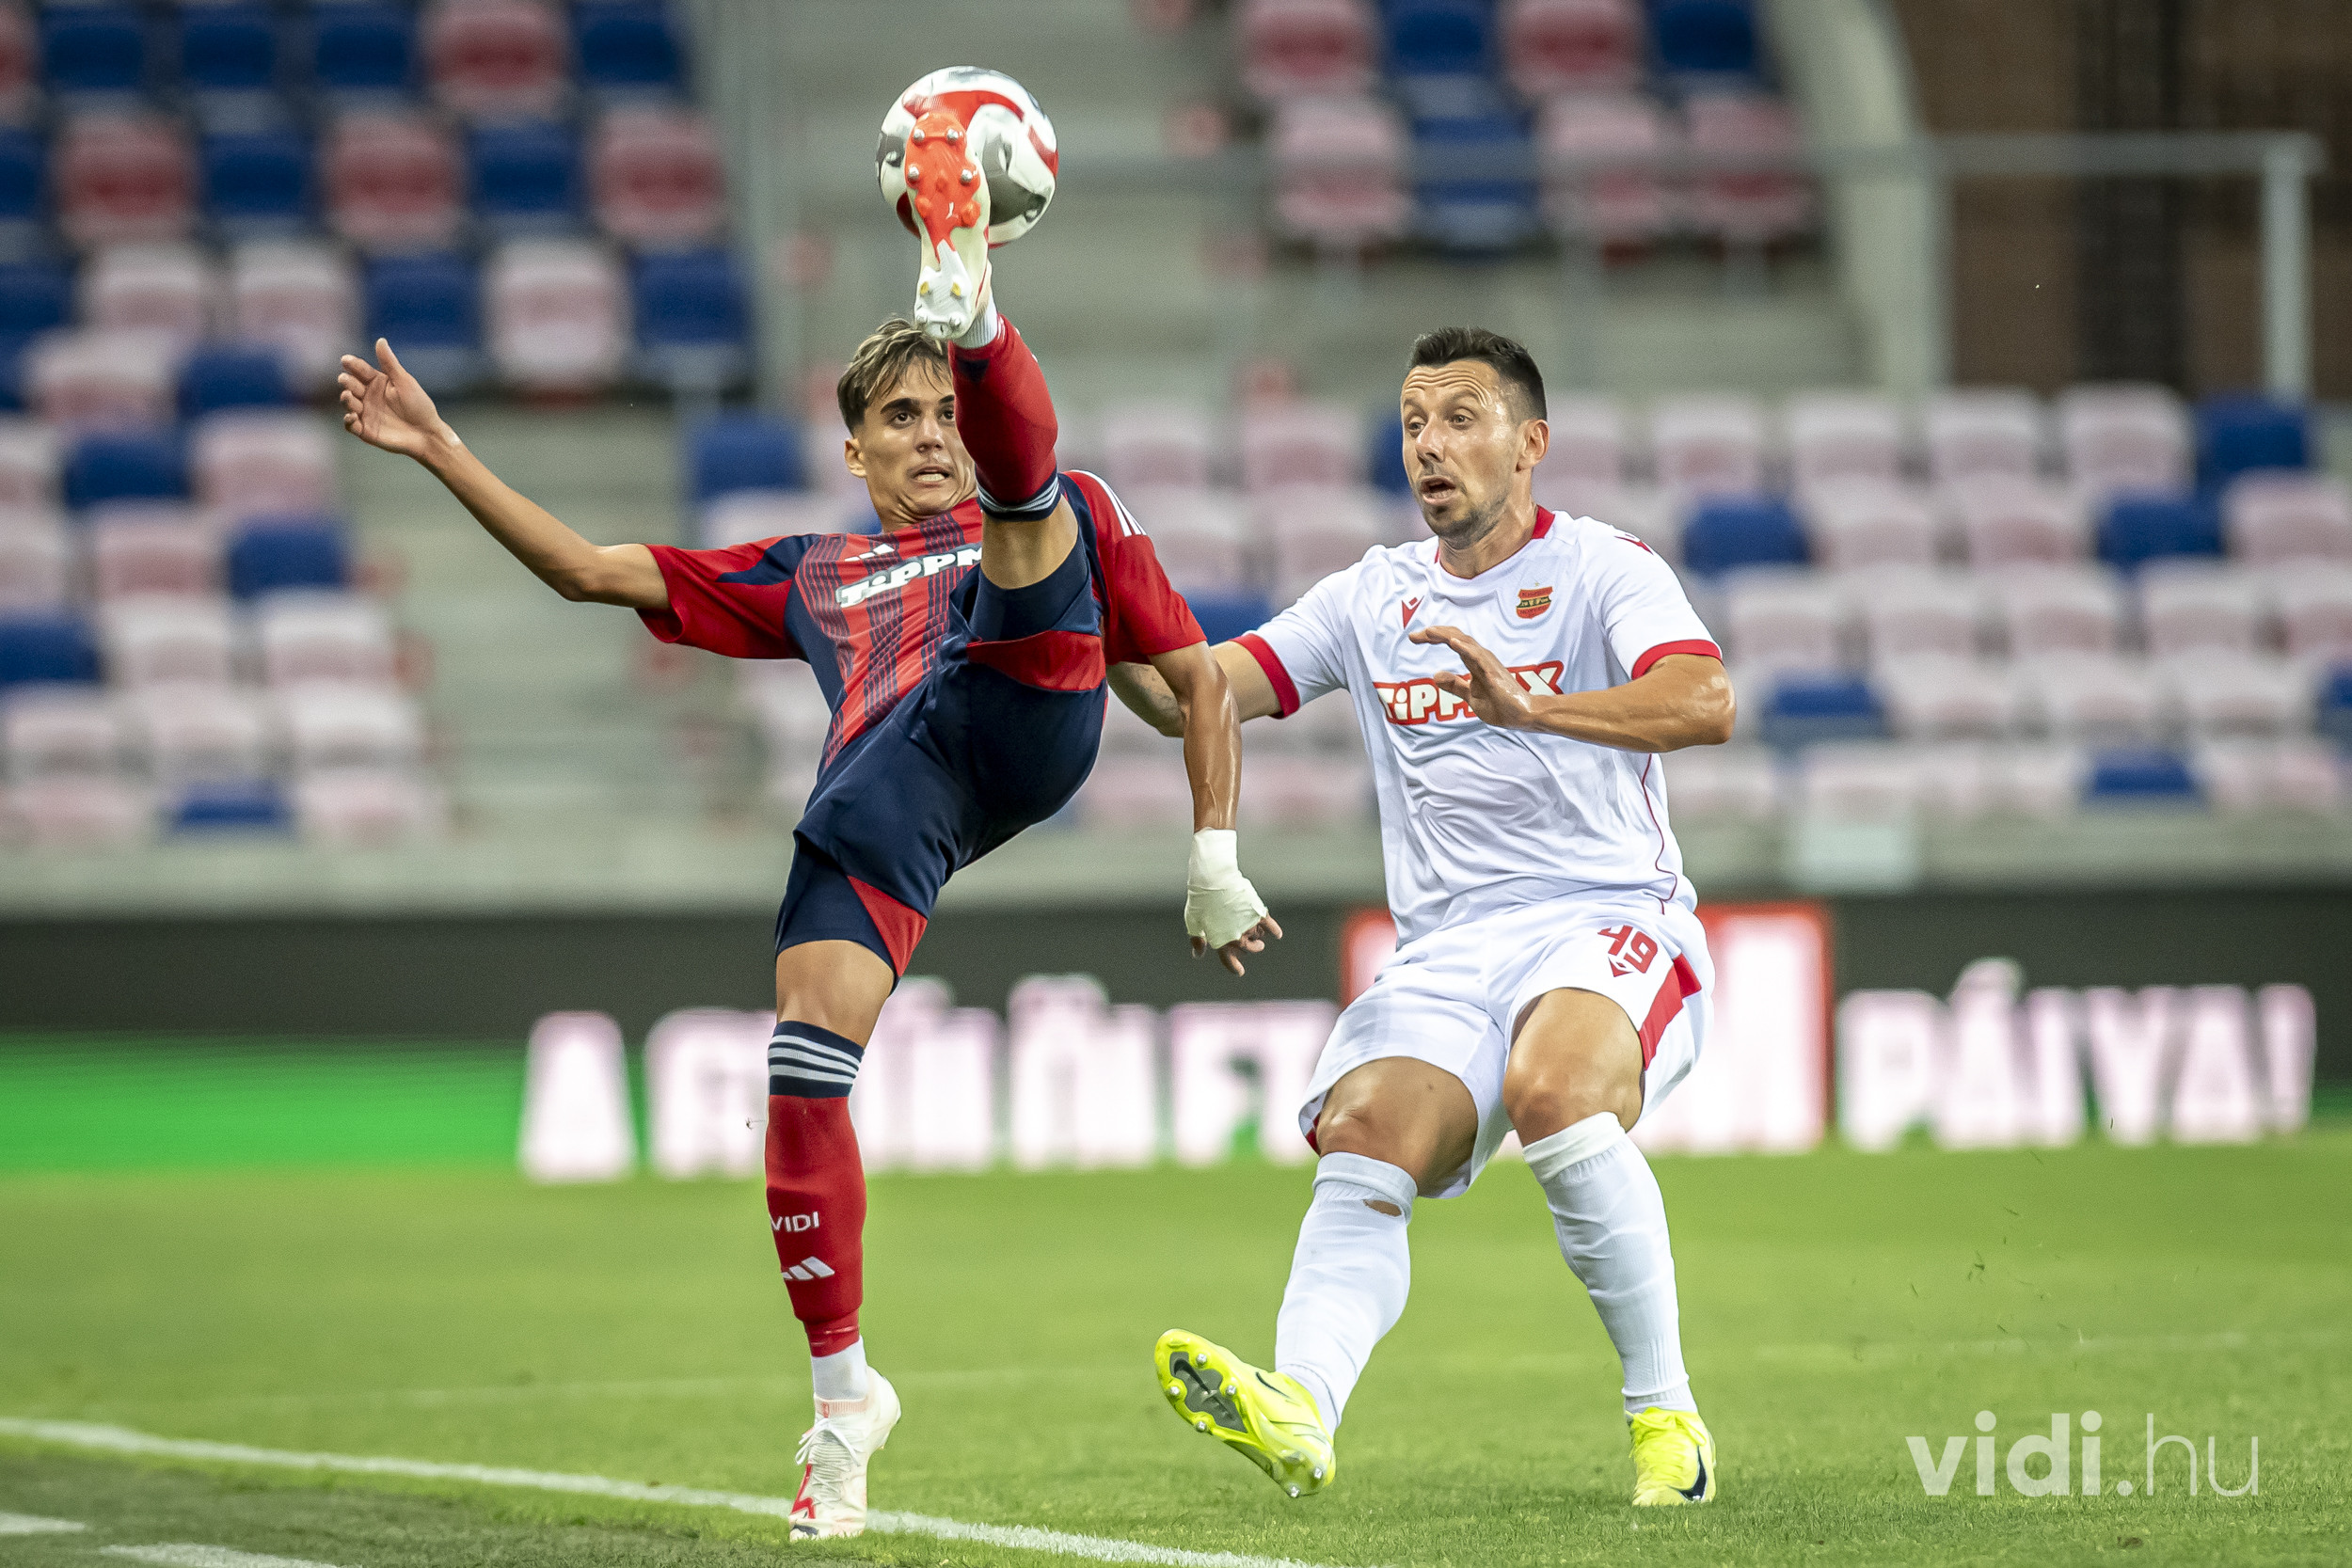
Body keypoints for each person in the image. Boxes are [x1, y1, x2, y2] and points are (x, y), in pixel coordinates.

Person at [337, 160, 1280, 1536]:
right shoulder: (812, 573)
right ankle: (845, 1401)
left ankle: (971, 296)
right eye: (901, 416)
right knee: (798, 1073)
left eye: (947, 410)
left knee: (1039, 510)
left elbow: (1194, 681)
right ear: (855, 451)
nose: (929, 436)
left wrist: (1214, 852)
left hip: (1024, 694)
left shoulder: (1066, 501)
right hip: (891, 801)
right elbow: (590, 570)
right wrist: (440, 448)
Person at [1116, 327, 1735, 1507]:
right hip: (1450, 951)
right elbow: (1192, 693)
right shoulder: (1371, 595)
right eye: (1411, 424)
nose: (1428, 445)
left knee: (1555, 1091)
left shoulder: (1602, 566)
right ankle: (1301, 1405)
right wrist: (1088, 614)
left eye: (1459, 417)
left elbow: (1704, 699)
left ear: (1530, 442)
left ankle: (1668, 1421)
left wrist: (1534, 707)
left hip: (1606, 914)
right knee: (1365, 1132)